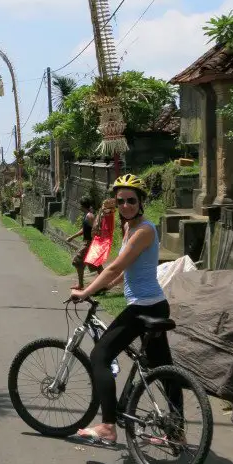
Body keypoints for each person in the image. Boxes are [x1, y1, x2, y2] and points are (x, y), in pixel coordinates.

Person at [69, 174, 182, 446]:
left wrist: (87, 291)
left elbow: (116, 266)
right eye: (121, 201)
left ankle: (108, 426)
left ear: (141, 202)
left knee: (99, 356)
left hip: (145, 308)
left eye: (131, 200)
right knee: (163, 369)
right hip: (154, 304)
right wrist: (111, 286)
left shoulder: (144, 230)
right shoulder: (130, 228)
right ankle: (176, 433)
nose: (126, 205)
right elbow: (129, 268)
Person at [66, 196, 96, 288]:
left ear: (82, 205)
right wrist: (72, 237)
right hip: (88, 242)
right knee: (95, 264)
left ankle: (80, 284)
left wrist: (93, 243)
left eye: (80, 204)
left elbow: (95, 229)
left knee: (77, 261)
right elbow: (84, 229)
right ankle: (105, 283)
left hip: (89, 243)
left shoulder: (90, 216)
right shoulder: (87, 215)